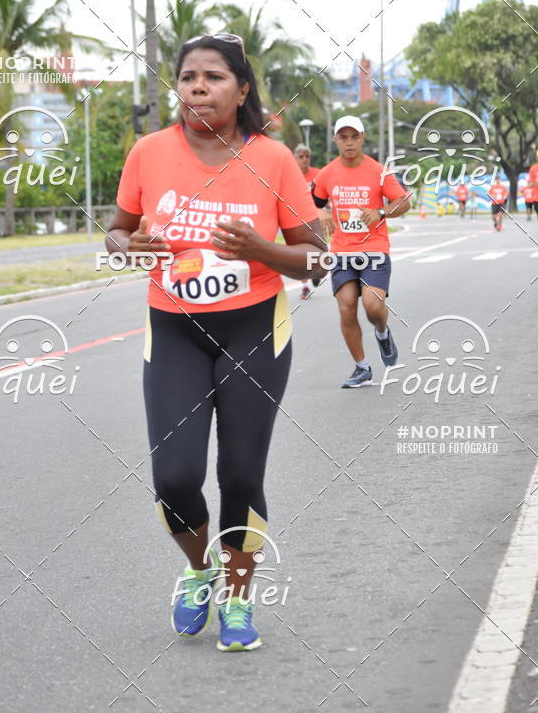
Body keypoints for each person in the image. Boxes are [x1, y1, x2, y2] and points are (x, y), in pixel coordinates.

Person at [107, 33, 324, 652]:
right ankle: (200, 570)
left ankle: (238, 598)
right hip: (174, 328)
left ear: (242, 88)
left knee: (240, 474)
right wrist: (129, 246)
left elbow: (316, 257)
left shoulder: (272, 159)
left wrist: (261, 250)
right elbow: (116, 233)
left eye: (214, 76)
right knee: (175, 476)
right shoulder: (149, 152)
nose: (198, 86)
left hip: (254, 327)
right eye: (188, 77)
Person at [312, 115, 411, 388]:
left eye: (354, 137)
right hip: (342, 251)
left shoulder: (379, 171)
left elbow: (403, 202)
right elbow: (310, 202)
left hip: (374, 248)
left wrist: (381, 211)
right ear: (336, 140)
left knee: (372, 306)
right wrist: (321, 212)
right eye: (343, 137)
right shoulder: (327, 173)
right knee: (346, 308)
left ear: (362, 138)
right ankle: (362, 367)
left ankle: (382, 332)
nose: (349, 143)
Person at [293, 143, 322, 299]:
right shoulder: (290, 175)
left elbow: (325, 194)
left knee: (315, 250)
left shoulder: (318, 174)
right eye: (301, 156)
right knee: (299, 253)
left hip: (315, 220)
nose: (305, 159)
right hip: (296, 221)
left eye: (307, 156)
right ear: (295, 158)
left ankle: (316, 270)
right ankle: (304, 286)